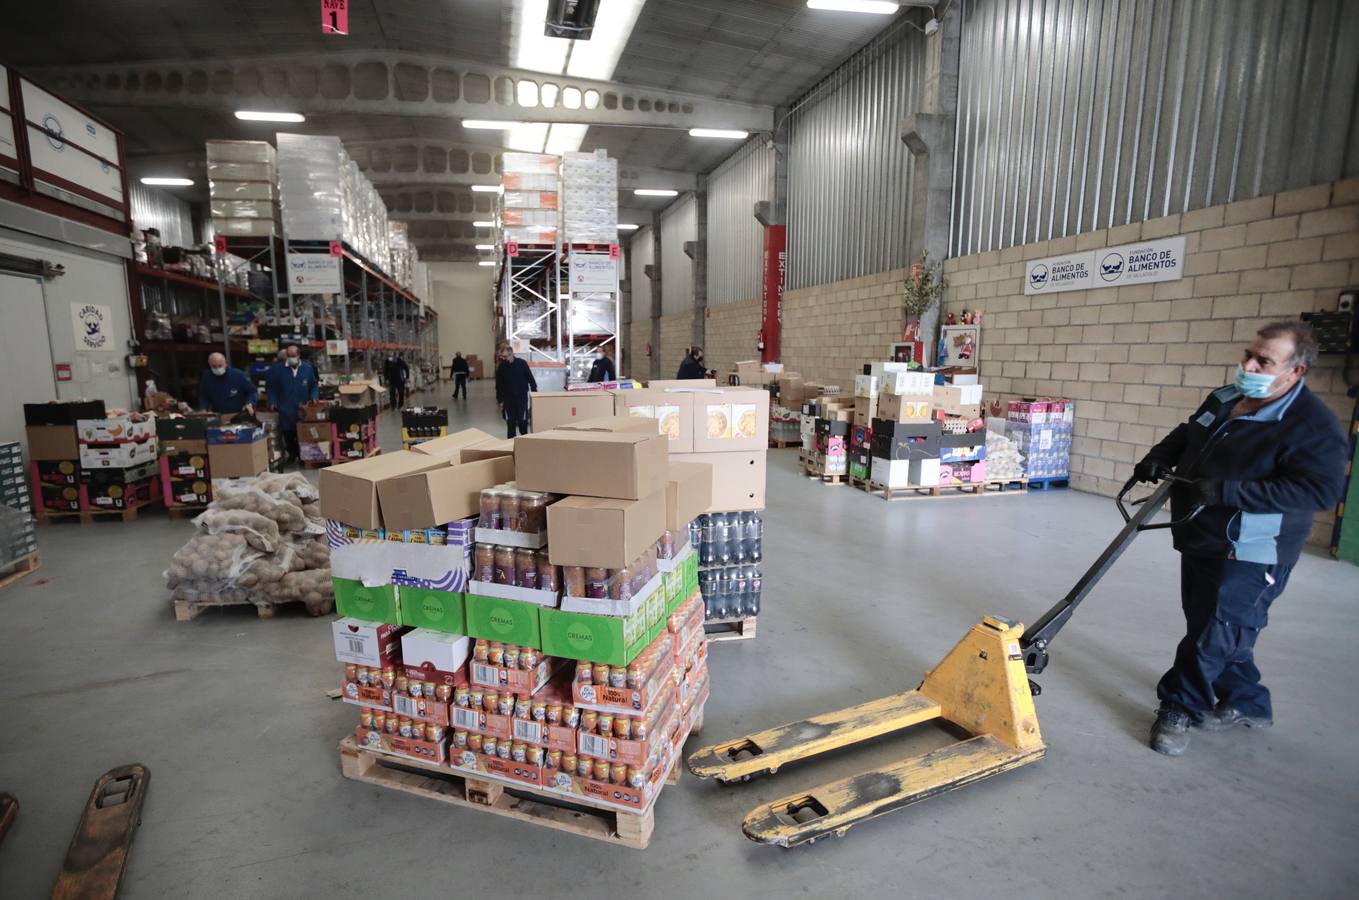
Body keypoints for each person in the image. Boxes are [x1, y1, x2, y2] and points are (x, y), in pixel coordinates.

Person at [1134, 320, 1347, 757]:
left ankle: (1179, 705)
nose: (1248, 364)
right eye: (1248, 355)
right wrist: (1159, 457)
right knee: (1213, 625)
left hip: (1253, 548)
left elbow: (1321, 491)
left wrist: (1230, 491)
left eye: (1264, 361)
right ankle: (1249, 703)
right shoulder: (1227, 396)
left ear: (1296, 371)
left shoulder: (1312, 425)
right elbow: (1190, 431)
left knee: (1215, 630)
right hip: (1200, 532)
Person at [265, 344, 320, 467]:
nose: (290, 359)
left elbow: (314, 385)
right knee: (288, 434)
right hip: (285, 407)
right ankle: (292, 454)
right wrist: (272, 401)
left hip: (303, 407)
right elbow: (271, 388)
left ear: (299, 355)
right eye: (288, 356)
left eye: (293, 356)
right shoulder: (277, 370)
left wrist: (314, 396)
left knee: (302, 433)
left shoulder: (307, 368)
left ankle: (303, 456)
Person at [494, 343, 537, 438]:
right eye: (502, 357)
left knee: (523, 422)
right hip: (508, 400)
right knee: (510, 424)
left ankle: (524, 443)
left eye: (505, 357)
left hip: (522, 399)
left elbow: (531, 379)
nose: (504, 359)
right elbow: (498, 386)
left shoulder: (522, 364)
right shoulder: (501, 367)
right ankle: (511, 445)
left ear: (511, 354)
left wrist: (535, 394)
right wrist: (500, 400)